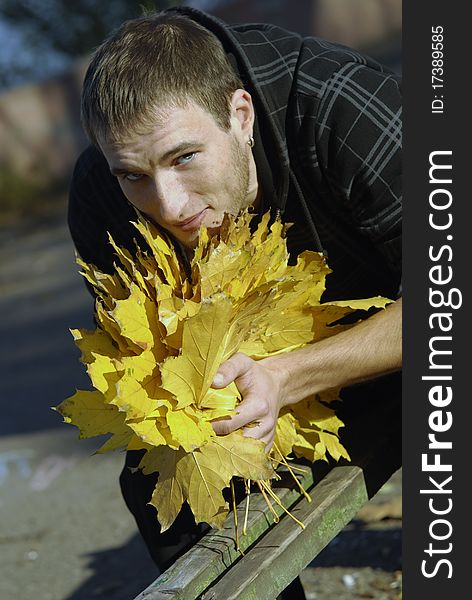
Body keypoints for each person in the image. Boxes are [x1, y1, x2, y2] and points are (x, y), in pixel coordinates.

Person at [68, 6, 402, 594]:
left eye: (184, 158)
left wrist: (288, 375)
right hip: (268, 396)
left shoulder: (341, 107)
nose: (168, 205)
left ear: (240, 114)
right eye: (134, 175)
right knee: (162, 479)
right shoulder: (101, 192)